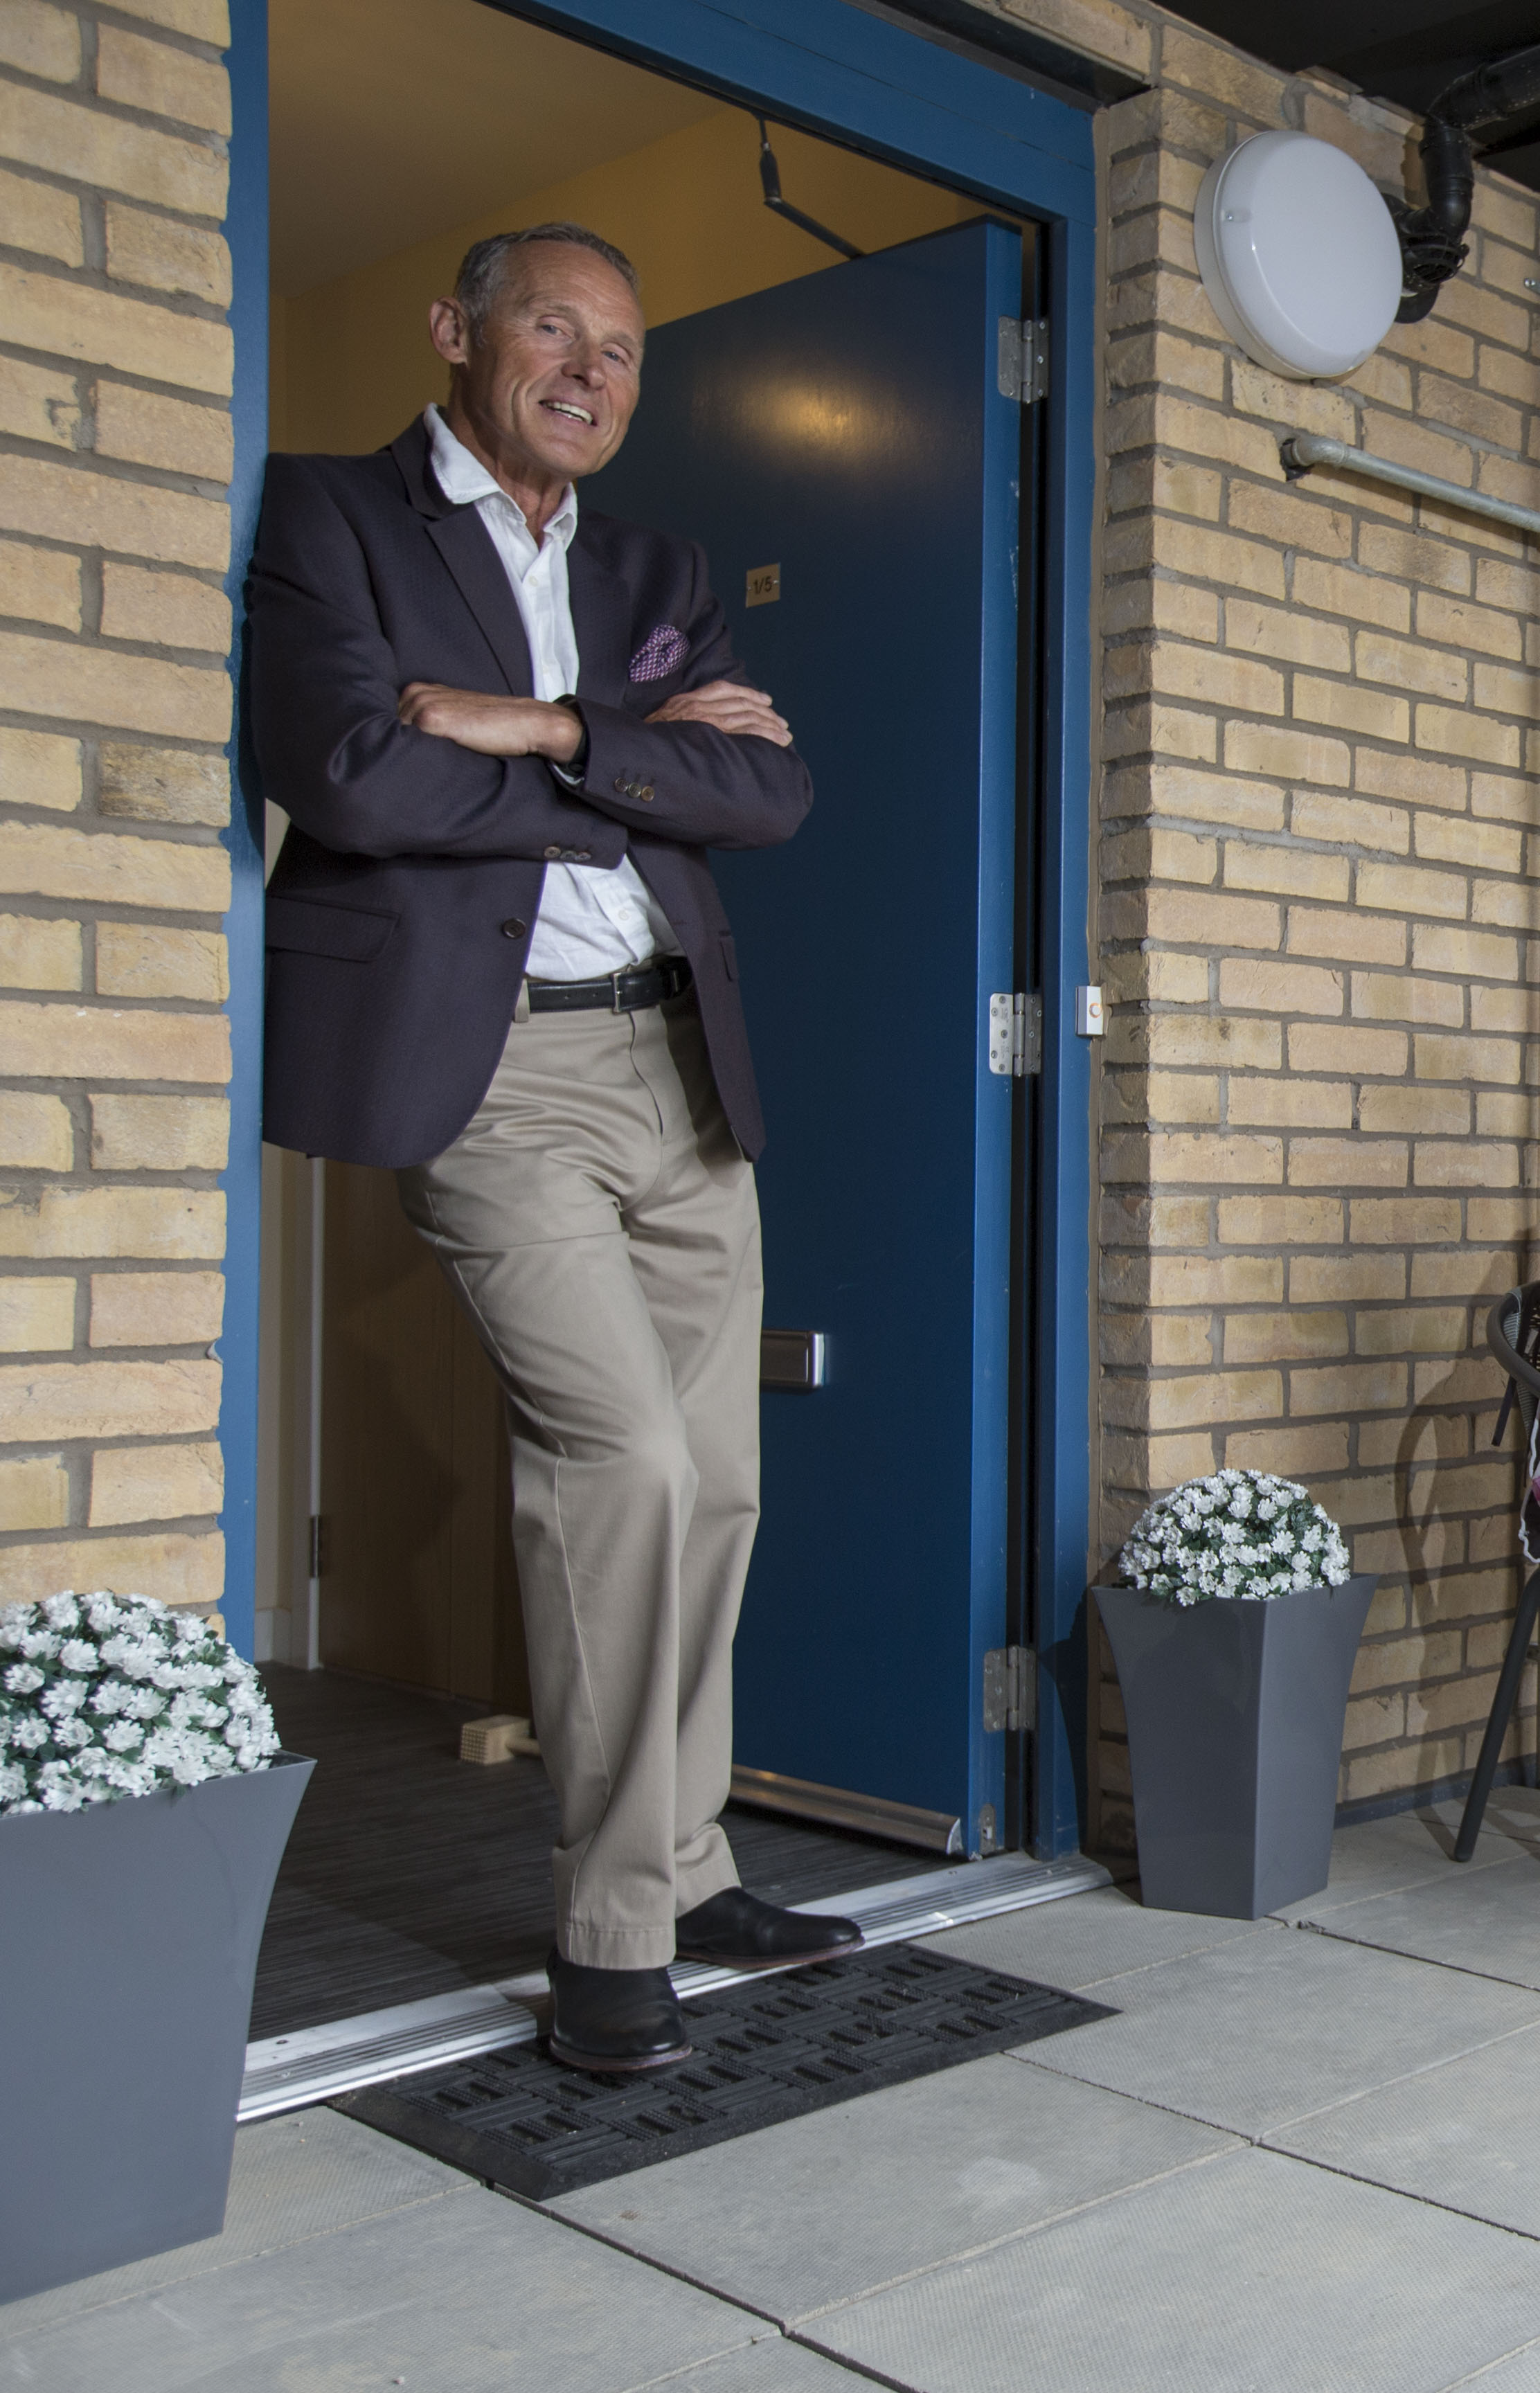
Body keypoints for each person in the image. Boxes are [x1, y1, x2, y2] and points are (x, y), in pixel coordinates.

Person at [249, 222, 849, 2074]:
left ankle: (684, 1859)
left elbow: (766, 788)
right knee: (626, 1465)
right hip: (488, 1073)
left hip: (679, 1069)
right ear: (458, 335)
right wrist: (628, 754)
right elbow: (348, 770)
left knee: (723, 1486)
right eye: (550, 330)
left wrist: (542, 723)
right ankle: (608, 1935)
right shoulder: (328, 516)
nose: (587, 374)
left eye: (621, 350)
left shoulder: (660, 567)